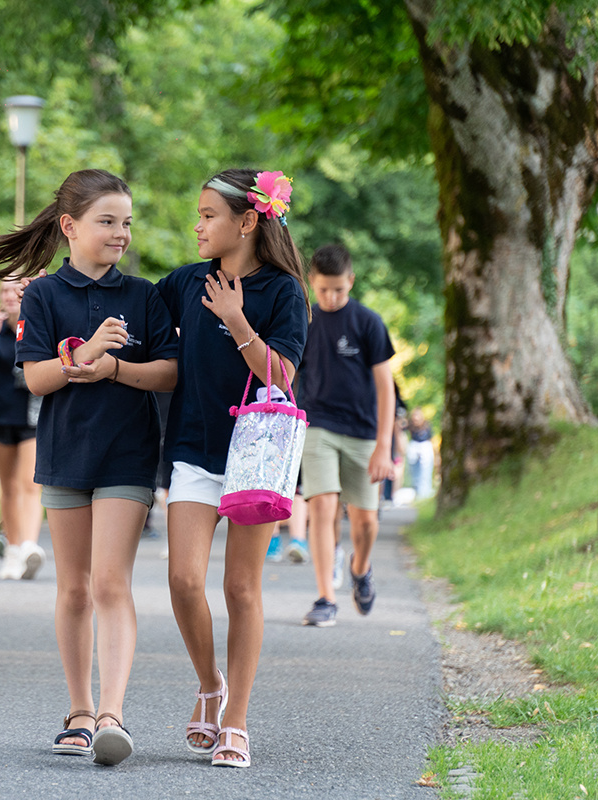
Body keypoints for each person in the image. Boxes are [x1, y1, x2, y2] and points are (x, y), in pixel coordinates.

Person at [0, 169, 178, 766]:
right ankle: (79, 710)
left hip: (129, 454)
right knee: (74, 587)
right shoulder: (42, 296)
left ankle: (112, 714)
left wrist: (113, 368)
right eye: (107, 221)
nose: (121, 234)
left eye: (126, 223)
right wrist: (85, 354)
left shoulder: (144, 295)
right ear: (70, 226)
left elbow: (168, 371)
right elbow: (35, 377)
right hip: (63, 455)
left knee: (111, 583)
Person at [158, 168, 310, 768]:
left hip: (256, 456)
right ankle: (209, 684)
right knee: (183, 580)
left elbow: (284, 375)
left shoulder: (283, 292)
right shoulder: (186, 281)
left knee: (241, 588)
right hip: (194, 450)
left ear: (246, 222)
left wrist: (237, 320)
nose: (197, 225)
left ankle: (237, 720)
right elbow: (131, 299)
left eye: (207, 216)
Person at [297, 243, 396, 626]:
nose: (331, 297)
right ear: (312, 284)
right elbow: (292, 374)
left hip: (363, 434)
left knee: (365, 521)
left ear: (351, 281)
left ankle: (360, 566)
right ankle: (325, 597)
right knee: (321, 506)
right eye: (323, 290)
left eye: (338, 289)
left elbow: (385, 388)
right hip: (318, 425)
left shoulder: (368, 323)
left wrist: (383, 447)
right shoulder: (306, 323)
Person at [0, 279, 46, 580]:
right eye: (3, 291)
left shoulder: (37, 325)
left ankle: (29, 547)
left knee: (29, 483)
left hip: (32, 415)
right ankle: (12, 550)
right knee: (7, 487)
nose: (9, 296)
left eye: (15, 290)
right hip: (1, 416)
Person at [405, 407, 435, 499]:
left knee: (426, 469)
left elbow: (431, 438)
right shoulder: (410, 425)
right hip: (414, 445)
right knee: (413, 469)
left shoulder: (427, 425)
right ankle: (416, 489)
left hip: (425, 446)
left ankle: (425, 492)